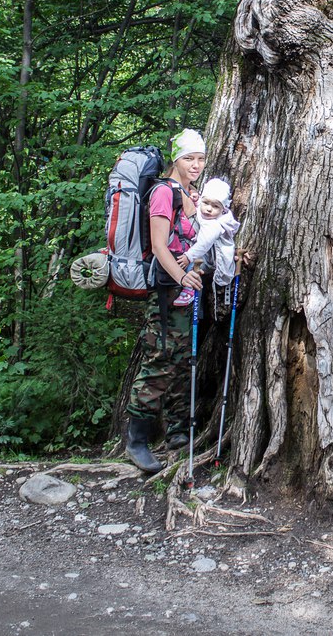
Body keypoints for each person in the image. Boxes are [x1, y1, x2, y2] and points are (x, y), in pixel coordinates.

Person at [122, 128, 206, 473]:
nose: (196, 164)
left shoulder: (196, 194)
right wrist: (181, 276)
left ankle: (177, 433)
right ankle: (136, 440)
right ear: (176, 159)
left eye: (201, 158)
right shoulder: (163, 193)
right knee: (160, 360)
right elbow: (159, 245)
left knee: (185, 360)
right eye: (189, 158)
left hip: (188, 293)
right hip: (165, 291)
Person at [172, 178, 240, 308]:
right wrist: (196, 200)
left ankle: (190, 289)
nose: (208, 209)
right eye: (206, 203)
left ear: (223, 209)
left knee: (193, 266)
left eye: (215, 206)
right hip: (205, 252)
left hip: (212, 258)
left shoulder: (215, 225)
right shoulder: (206, 212)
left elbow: (204, 244)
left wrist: (188, 256)